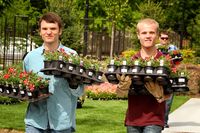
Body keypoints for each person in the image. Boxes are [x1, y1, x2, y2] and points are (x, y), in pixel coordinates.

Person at [23, 12, 85, 133]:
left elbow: (80, 92)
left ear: (60, 31)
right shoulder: (30, 58)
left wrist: (74, 84)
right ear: (40, 32)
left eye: (53, 28)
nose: (48, 32)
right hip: (35, 123)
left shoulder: (72, 56)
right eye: (44, 28)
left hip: (62, 123)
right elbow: (24, 86)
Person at [116, 18, 172, 133]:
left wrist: (161, 96)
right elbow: (119, 94)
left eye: (151, 32)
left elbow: (172, 91)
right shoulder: (131, 62)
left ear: (157, 35)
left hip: (154, 119)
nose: (148, 36)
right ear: (138, 35)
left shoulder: (165, 61)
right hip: (133, 119)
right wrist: (122, 87)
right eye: (144, 33)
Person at [156, 31, 179, 128]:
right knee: (156, 100)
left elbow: (178, 62)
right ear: (159, 38)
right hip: (157, 77)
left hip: (170, 77)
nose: (164, 40)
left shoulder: (173, 48)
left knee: (168, 101)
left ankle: (164, 121)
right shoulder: (155, 48)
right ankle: (156, 120)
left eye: (166, 38)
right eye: (162, 38)